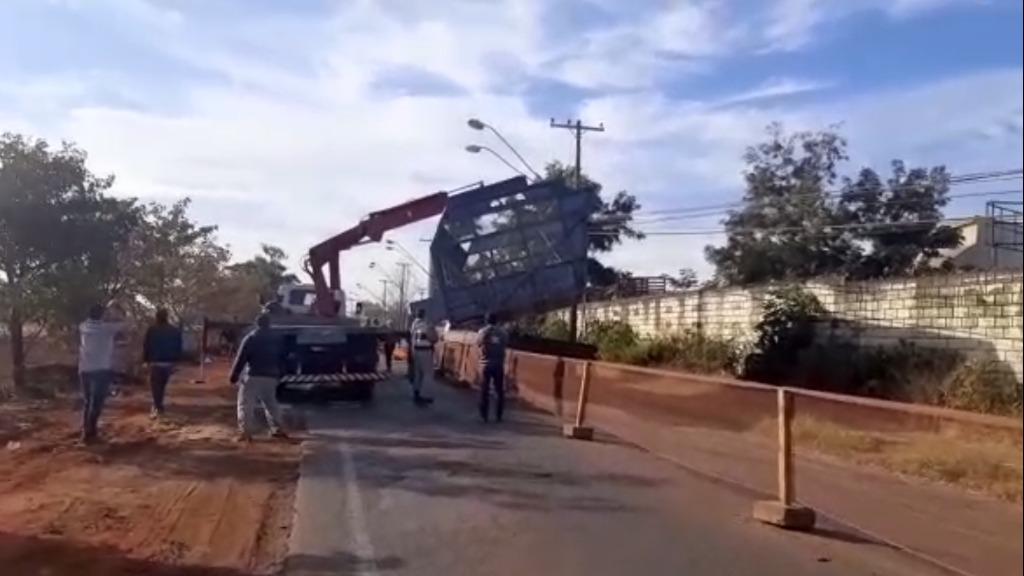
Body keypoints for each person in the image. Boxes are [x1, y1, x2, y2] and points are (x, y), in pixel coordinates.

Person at [228, 312, 288, 441]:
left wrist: (234, 376)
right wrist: (281, 373)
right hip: (272, 376)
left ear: (257, 324)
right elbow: (283, 358)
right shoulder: (277, 339)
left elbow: (241, 358)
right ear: (269, 323)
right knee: (271, 403)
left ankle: (246, 432)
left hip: (254, 375)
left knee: (246, 404)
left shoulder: (251, 338)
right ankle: (278, 429)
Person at [77, 303, 128, 443]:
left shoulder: (83, 327)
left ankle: (86, 431)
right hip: (101, 369)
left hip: (84, 369)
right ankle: (90, 433)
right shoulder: (107, 329)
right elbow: (125, 324)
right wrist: (119, 310)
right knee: (97, 403)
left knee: (88, 402)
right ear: (102, 315)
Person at [142, 308, 183, 418]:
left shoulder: (152, 330)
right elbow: (178, 346)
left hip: (155, 362)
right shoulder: (174, 331)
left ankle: (157, 406)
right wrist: (176, 361)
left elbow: (146, 346)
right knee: (162, 385)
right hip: (168, 362)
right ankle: (158, 405)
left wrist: (145, 360)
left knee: (156, 386)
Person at [475, 313, 508, 422]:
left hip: (486, 364)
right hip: (498, 364)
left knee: (484, 390)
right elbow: (505, 344)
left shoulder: (483, 332)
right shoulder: (503, 333)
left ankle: (484, 415)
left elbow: (478, 343)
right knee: (499, 390)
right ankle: (499, 415)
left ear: (486, 321)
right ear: (496, 321)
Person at [408, 308, 436, 405]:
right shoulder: (426, 324)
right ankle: (425, 395)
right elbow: (433, 337)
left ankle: (416, 393)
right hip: (425, 350)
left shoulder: (413, 325)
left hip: (415, 350)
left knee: (418, 374)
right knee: (427, 373)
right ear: (424, 315)